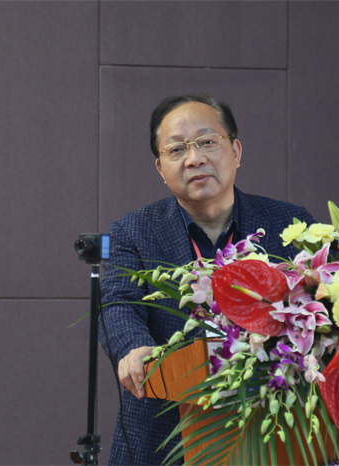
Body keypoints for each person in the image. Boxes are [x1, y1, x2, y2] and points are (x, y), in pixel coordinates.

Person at [99, 94, 316, 465]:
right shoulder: (133, 231)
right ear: (160, 168)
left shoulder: (290, 224)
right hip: (165, 430)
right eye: (176, 149)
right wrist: (133, 348)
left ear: (235, 150)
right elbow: (117, 302)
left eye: (206, 142)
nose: (194, 158)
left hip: (274, 426)